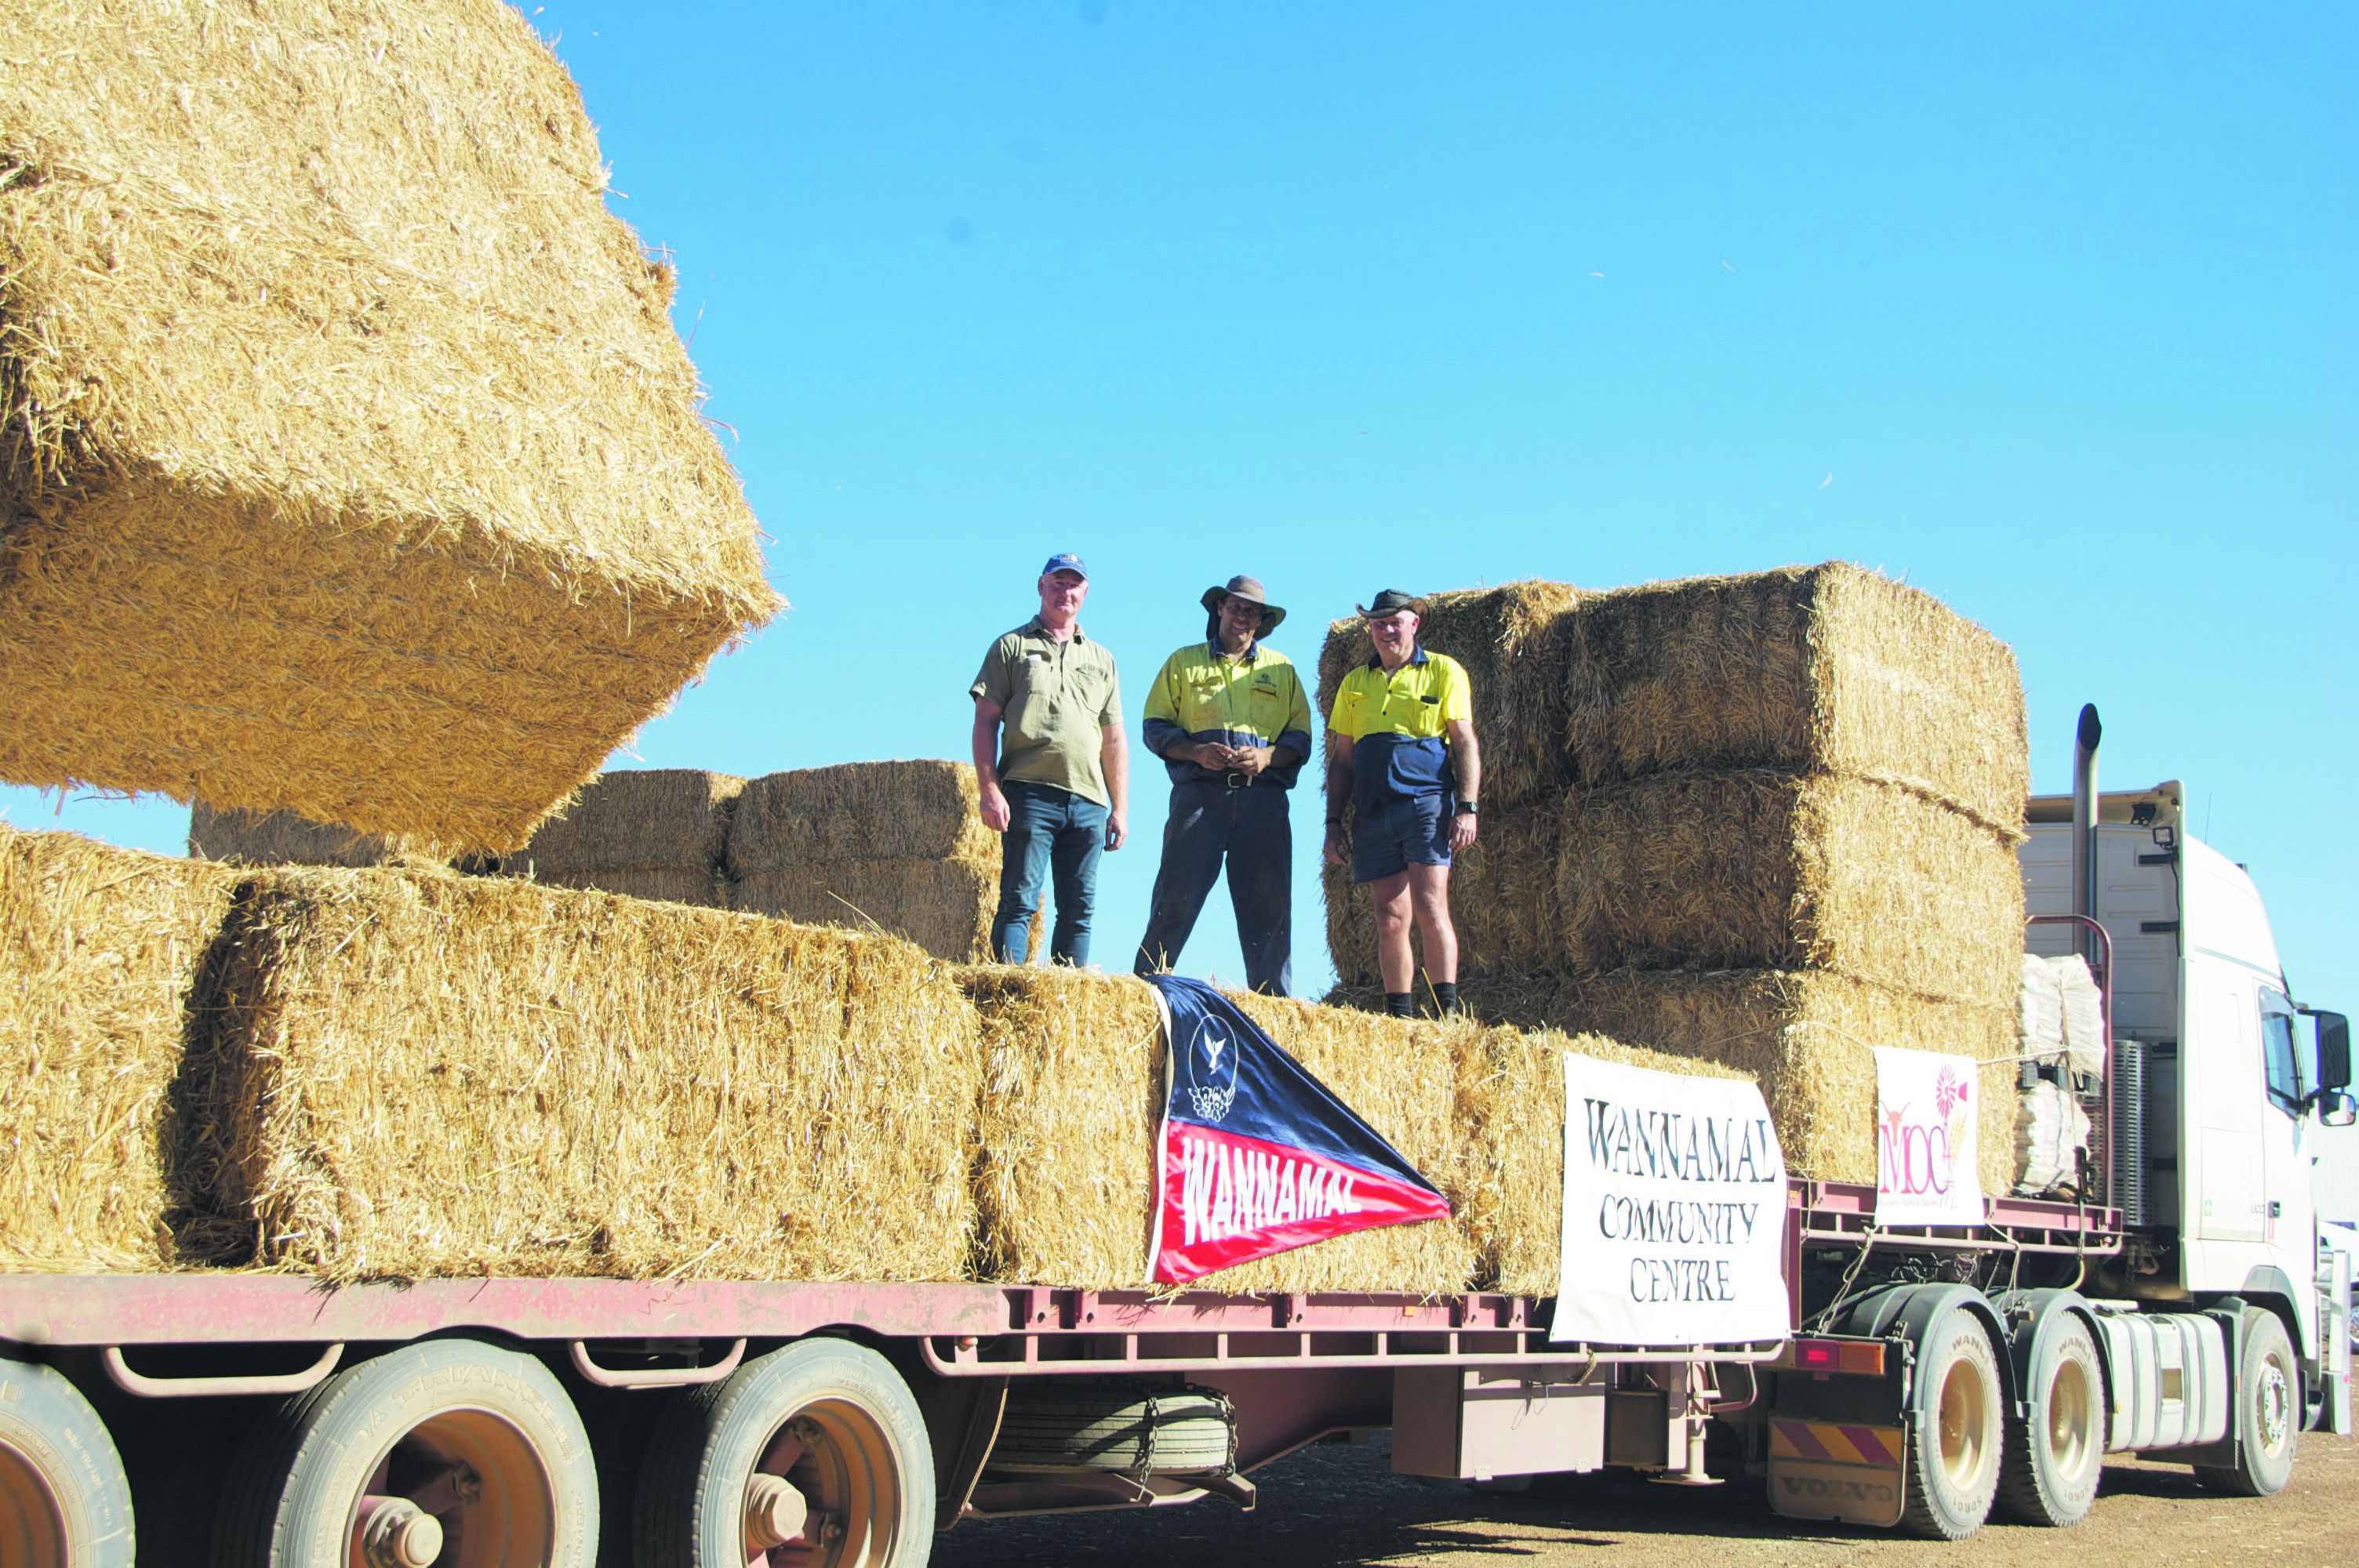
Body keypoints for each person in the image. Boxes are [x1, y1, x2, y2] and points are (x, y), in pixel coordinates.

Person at [1132, 575, 1314, 996]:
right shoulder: (1183, 663)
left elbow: (1300, 738)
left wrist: (1267, 757)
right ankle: (1146, 993)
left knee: (1268, 910)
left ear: (1261, 620)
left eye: (1251, 610)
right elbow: (1154, 727)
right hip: (1199, 799)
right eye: (1236, 607)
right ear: (1219, 609)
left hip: (1263, 801)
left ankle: (1275, 1008)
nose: (1242, 615)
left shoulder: (1281, 669)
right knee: (1174, 898)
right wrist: (1196, 753)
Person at [1322, 590, 1480, 1018]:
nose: (1386, 630)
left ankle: (1445, 1012)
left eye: (1395, 621)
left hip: (1426, 804)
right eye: (1378, 623)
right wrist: (1333, 822)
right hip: (1374, 812)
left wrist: (1467, 806)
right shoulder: (1354, 683)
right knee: (1389, 915)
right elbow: (1342, 760)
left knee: (1431, 905)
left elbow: (1464, 741)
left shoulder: (1444, 671)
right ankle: (1400, 1016)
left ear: (1415, 624)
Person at [970, 553, 1129, 967]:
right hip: (1028, 793)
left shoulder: (1101, 659)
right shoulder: (1012, 646)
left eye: (1074, 584)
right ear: (1041, 586)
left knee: (1079, 912)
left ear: (1085, 593)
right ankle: (1009, 990)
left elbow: (1113, 740)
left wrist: (1120, 809)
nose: (1066, 592)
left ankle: (1064, 1004)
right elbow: (985, 722)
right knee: (1020, 901)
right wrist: (990, 790)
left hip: (1089, 802)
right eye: (1058, 583)